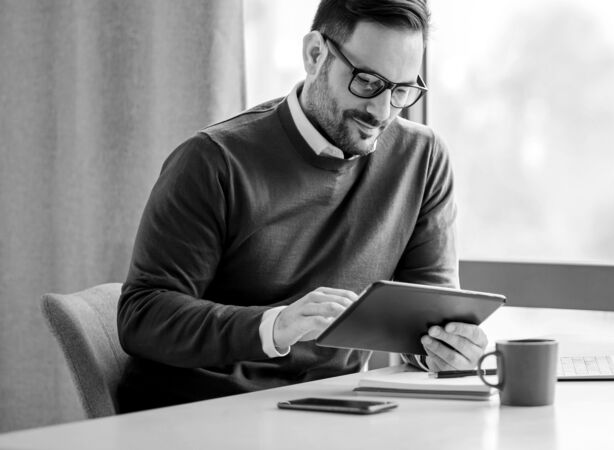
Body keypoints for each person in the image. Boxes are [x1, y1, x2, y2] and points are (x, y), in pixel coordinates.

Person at [116, 0, 487, 412]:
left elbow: (426, 317)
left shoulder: (422, 158)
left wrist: (446, 348)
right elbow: (142, 316)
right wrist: (275, 325)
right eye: (367, 82)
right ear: (315, 55)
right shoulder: (213, 160)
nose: (382, 112)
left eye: (401, 91)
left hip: (334, 412)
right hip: (199, 413)